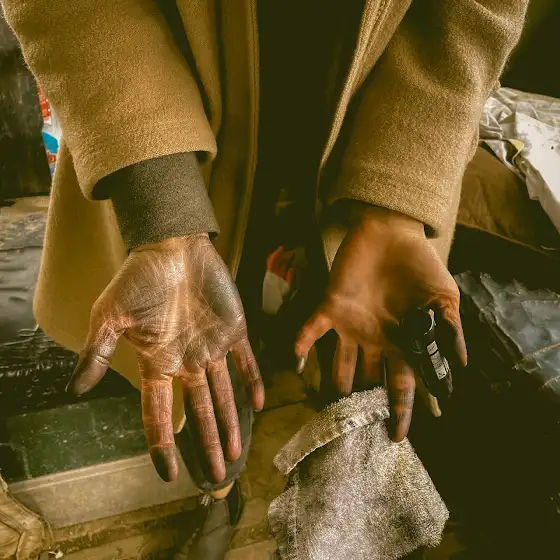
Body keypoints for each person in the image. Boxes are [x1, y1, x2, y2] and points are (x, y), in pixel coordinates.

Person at [2, 1, 528, 558]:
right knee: (200, 352)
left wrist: (397, 199)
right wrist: (161, 203)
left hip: (377, 138)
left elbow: (476, 12)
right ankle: (220, 492)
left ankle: (338, 507)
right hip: (178, 139)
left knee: (362, 354)